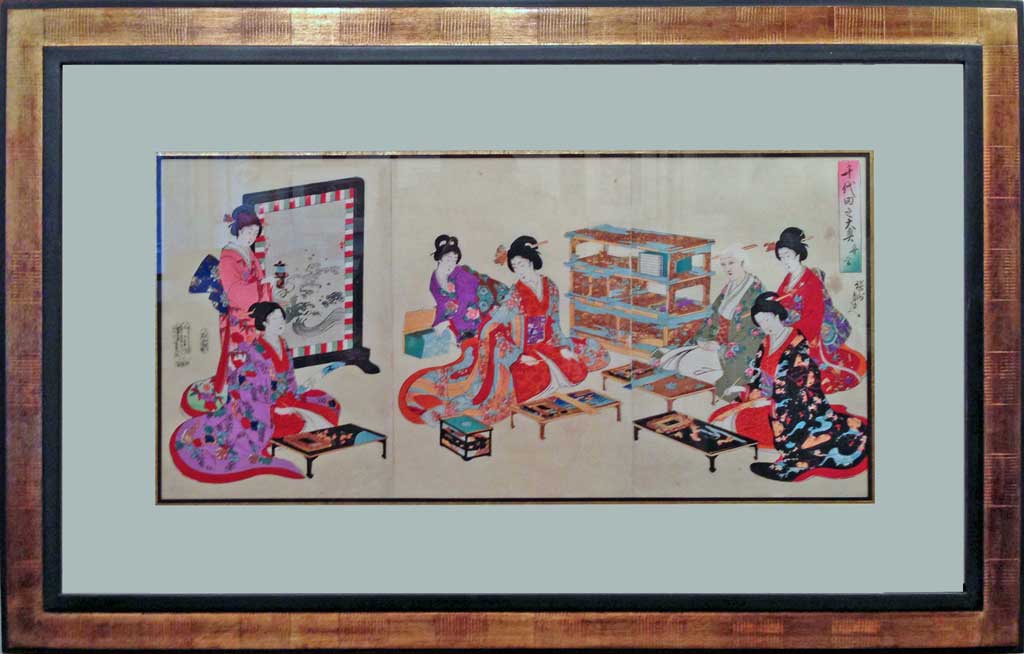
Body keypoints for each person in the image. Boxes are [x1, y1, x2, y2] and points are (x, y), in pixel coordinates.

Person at [398, 235, 608, 425]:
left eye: (522, 265)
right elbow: (495, 321)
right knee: (531, 375)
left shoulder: (550, 286)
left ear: (532, 262)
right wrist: (518, 354)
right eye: (515, 266)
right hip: (522, 346)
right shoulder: (516, 292)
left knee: (575, 365)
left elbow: (554, 321)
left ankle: (555, 362)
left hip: (547, 342)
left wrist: (562, 346)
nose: (519, 271)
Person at [169, 302, 341, 483]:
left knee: (324, 403)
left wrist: (291, 395)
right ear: (264, 323)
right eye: (275, 319)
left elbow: (289, 376)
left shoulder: (284, 344)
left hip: (285, 397)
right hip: (262, 402)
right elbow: (250, 386)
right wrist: (275, 402)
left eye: (281, 318)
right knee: (273, 425)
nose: (280, 322)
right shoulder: (255, 351)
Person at [709, 293, 869, 482]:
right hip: (768, 400)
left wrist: (769, 400)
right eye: (760, 323)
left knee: (739, 425)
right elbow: (758, 376)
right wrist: (747, 391)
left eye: (767, 319)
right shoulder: (766, 342)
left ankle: (797, 459)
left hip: (796, 407)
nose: (765, 326)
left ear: (777, 315)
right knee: (721, 422)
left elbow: (799, 384)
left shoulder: (797, 342)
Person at [181, 205, 273, 416]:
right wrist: (262, 287)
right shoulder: (229, 256)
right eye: (248, 232)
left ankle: (253, 400)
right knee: (239, 359)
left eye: (255, 233)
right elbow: (234, 291)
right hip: (238, 319)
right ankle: (238, 405)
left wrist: (266, 287)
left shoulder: (248, 253)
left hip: (254, 316)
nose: (252, 237)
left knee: (255, 359)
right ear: (238, 230)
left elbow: (258, 280)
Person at [655, 244, 765, 401]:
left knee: (687, 365)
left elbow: (753, 332)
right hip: (716, 343)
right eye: (723, 264)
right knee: (672, 361)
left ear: (742, 262)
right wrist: (704, 340)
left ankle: (704, 395)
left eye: (731, 263)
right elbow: (713, 317)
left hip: (737, 349)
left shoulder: (755, 290)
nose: (727, 268)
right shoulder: (730, 286)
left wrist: (721, 348)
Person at [773, 227, 867, 394]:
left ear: (798, 253)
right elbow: (780, 299)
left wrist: (793, 330)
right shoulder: (789, 278)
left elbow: (814, 314)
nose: (785, 261)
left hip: (812, 330)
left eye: (787, 255)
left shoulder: (811, 280)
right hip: (791, 327)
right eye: (781, 257)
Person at [428, 234, 509, 343]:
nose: (452, 263)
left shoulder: (460, 273)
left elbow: (467, 298)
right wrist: (441, 320)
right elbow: (442, 302)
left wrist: (451, 319)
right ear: (440, 258)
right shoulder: (434, 279)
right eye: (448, 258)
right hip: (460, 307)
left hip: (482, 294)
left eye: (455, 259)